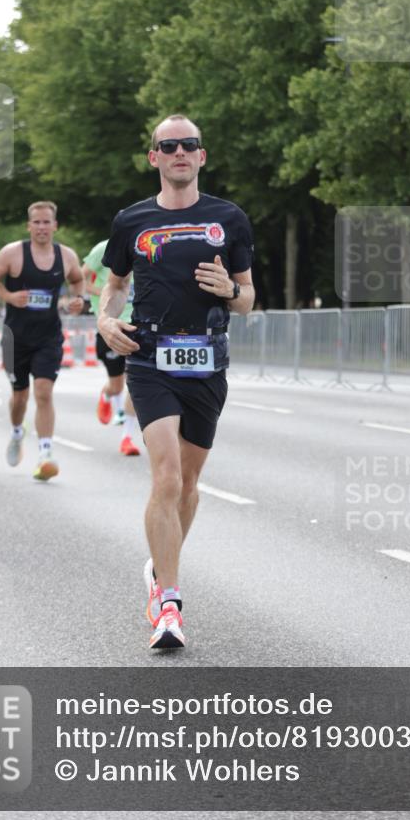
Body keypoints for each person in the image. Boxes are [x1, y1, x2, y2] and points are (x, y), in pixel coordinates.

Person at [98, 114, 255, 649]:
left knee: (189, 485)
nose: (180, 153)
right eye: (170, 146)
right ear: (155, 158)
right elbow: (115, 284)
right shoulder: (131, 221)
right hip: (150, 357)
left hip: (207, 359)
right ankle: (169, 604)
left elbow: (250, 298)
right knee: (165, 478)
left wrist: (229, 291)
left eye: (189, 145)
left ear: (202, 156)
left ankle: (158, 569)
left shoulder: (229, 218)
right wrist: (104, 319)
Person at [0, 201, 85, 480]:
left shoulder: (66, 256)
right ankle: (17, 432)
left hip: (49, 337)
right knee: (19, 396)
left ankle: (45, 453)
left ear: (55, 226)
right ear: (29, 225)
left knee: (43, 392)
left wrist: (76, 299)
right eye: (37, 222)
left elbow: (77, 280)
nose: (42, 227)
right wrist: (9, 297)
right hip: (15, 339)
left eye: (47, 222)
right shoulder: (12, 253)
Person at [82, 239, 140, 456]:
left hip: (138, 323)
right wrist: (108, 291)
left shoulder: (152, 243)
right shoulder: (103, 248)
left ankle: (127, 437)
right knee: (117, 385)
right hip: (111, 324)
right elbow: (81, 278)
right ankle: (107, 395)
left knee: (135, 382)